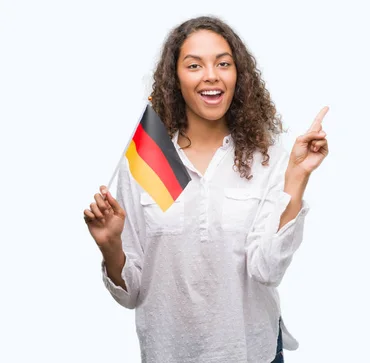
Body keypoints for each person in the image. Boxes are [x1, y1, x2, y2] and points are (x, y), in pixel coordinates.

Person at [82, 15, 329, 363]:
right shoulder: (147, 159)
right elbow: (132, 293)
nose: (211, 74)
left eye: (223, 63)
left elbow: (267, 270)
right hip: (168, 352)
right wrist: (110, 246)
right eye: (194, 65)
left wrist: (297, 177)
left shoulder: (268, 157)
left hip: (251, 351)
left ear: (237, 75)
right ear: (176, 79)